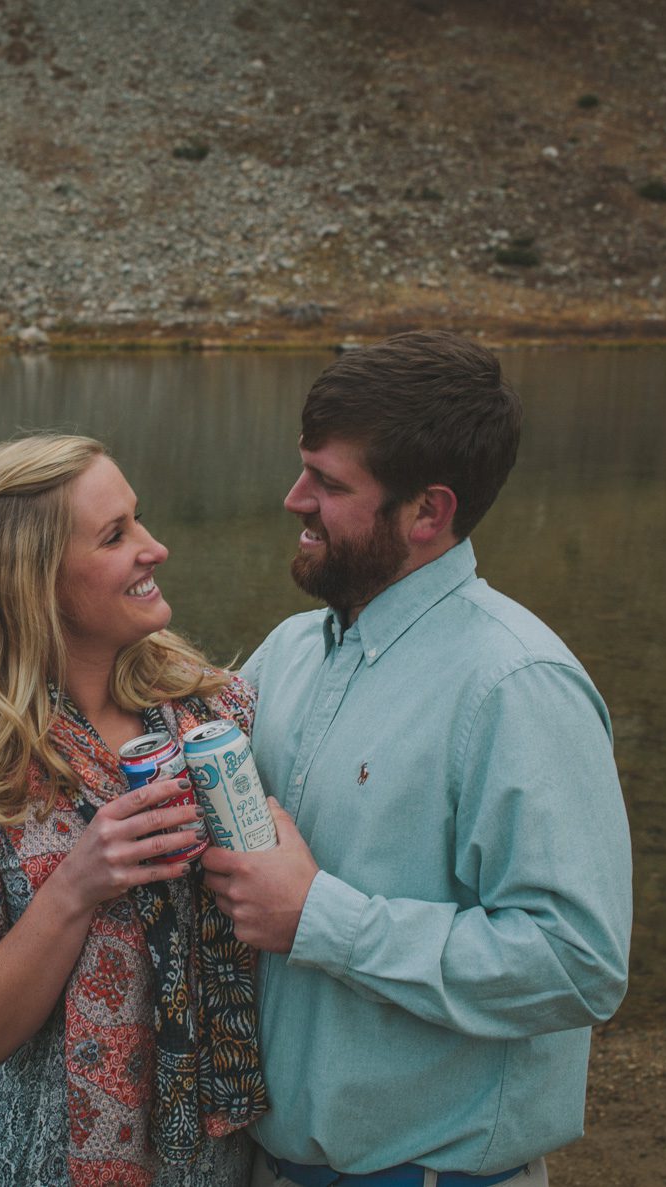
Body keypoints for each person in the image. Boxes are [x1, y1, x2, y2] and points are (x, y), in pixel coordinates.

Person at [202, 332, 633, 1187]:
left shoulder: (517, 686)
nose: (294, 499)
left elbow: (578, 961)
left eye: (328, 483)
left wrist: (318, 918)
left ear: (429, 512)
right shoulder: (286, 652)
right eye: (303, 470)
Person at [0, 434, 268, 1187]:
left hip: (224, 1161)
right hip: (41, 1165)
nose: (154, 548)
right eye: (115, 535)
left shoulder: (221, 716)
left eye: (140, 520)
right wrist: (75, 885)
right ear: (36, 585)